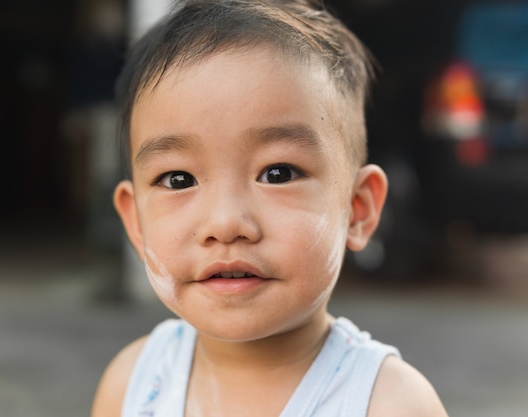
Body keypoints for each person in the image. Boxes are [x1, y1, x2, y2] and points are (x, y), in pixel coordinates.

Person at [91, 1, 449, 416]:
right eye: (178, 180)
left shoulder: (389, 404)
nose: (225, 223)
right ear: (136, 223)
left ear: (358, 209)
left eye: (278, 173)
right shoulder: (134, 384)